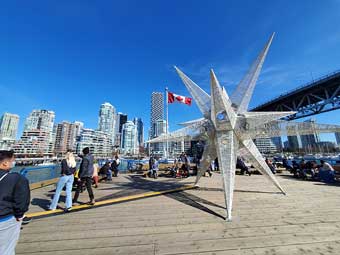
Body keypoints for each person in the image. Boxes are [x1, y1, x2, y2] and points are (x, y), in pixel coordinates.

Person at [0, 150, 30, 255]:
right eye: (12, 160)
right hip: (5, 219)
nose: (14, 162)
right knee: (6, 249)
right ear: (5, 163)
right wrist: (19, 215)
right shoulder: (17, 178)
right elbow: (21, 200)